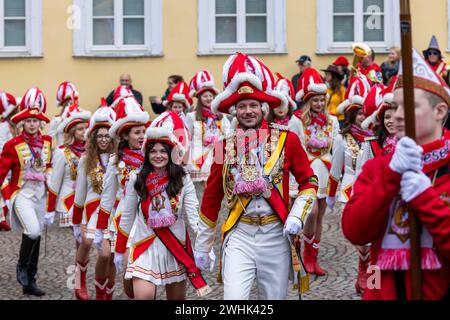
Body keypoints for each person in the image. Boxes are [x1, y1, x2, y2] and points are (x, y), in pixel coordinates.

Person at [194, 53, 318, 300]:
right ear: (233, 110)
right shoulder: (222, 146)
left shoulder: (287, 140)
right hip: (240, 235)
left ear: (263, 108)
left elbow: (309, 182)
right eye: (242, 106)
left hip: (275, 235)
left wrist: (297, 215)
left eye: (253, 105)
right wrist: (202, 244)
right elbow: (211, 198)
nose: (248, 111)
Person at [342, 49, 450, 300]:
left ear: (440, 111)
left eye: (410, 105)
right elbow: (355, 231)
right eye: (395, 106)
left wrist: (426, 199)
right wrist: (391, 176)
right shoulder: (378, 168)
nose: (398, 115)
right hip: (382, 290)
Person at [113, 111, 210, 300]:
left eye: (163, 151)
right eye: (153, 151)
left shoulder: (183, 179)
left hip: (175, 250)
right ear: (147, 154)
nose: (158, 156)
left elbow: (193, 216)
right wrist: (119, 250)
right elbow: (127, 218)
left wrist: (206, 246)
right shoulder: (137, 178)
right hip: (144, 247)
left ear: (171, 153)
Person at [95, 95, 149, 300]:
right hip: (125, 221)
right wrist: (100, 229)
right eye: (137, 133)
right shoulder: (115, 161)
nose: (142, 136)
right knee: (129, 270)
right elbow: (107, 198)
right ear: (125, 136)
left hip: (150, 220)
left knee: (145, 276)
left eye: (144, 131)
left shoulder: (155, 157)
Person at [0, 87, 51, 296]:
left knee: (36, 236)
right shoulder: (13, 144)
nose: (32, 124)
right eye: (29, 120)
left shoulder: (47, 142)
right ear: (22, 123)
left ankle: (30, 281)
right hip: (21, 194)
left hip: (40, 195)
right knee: (33, 231)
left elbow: (48, 165)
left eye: (36, 121)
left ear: (40, 123)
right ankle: (21, 266)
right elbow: (2, 170)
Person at [327, 75, 373, 294]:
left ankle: (370, 278)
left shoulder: (378, 137)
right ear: (351, 114)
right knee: (359, 236)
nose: (362, 116)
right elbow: (335, 171)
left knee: (375, 237)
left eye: (365, 112)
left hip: (373, 191)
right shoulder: (341, 138)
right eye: (359, 113)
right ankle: (363, 263)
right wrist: (330, 196)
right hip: (349, 190)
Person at [293, 67, 340, 276]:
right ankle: (301, 252)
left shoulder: (333, 121)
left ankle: (312, 258)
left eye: (322, 100)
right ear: (308, 101)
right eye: (315, 100)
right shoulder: (298, 121)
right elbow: (296, 148)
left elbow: (335, 148)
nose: (319, 104)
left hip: (326, 168)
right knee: (310, 213)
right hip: (308, 169)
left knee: (320, 216)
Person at [71, 100, 116, 300]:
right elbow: (80, 194)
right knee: (94, 247)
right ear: (94, 137)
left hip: (114, 211)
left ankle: (107, 293)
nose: (104, 140)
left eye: (107, 136)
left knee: (112, 257)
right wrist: (76, 222)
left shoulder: (119, 159)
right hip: (91, 210)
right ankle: (79, 281)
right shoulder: (85, 160)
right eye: (100, 136)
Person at [47, 103, 91, 228]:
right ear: (72, 131)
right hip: (68, 201)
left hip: (87, 200)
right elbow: (55, 183)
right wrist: (50, 209)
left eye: (86, 128)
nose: (84, 132)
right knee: (81, 238)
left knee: (84, 241)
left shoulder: (91, 151)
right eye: (80, 129)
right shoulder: (62, 152)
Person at [187, 71, 230, 194]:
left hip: (217, 154)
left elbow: (227, 133)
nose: (208, 98)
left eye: (211, 96)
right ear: (200, 98)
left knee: (217, 186)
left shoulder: (221, 116)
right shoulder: (192, 116)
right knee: (199, 190)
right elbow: (188, 137)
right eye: (205, 96)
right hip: (199, 155)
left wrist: (218, 141)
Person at [0, 91, 19, 232]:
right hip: (5, 161)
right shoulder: (4, 127)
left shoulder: (11, 125)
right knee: (4, 191)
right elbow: (3, 146)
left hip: (12, 161)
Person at [49, 82, 79, 147]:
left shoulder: (80, 119)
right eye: (69, 103)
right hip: (62, 153)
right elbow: (49, 140)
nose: (72, 105)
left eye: (75, 102)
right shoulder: (57, 120)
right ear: (64, 104)